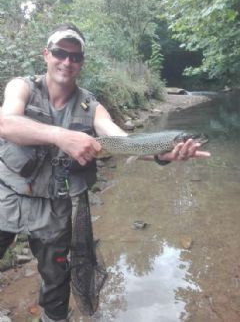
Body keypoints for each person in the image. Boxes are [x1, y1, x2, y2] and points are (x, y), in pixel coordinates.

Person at [0, 23, 210, 322]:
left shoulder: (91, 106)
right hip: (5, 194)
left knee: (56, 285)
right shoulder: (22, 86)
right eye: (60, 53)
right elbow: (6, 123)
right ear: (46, 54)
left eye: (75, 57)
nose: (67, 62)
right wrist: (62, 136)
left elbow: (121, 140)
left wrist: (161, 153)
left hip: (55, 208)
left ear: (81, 63)